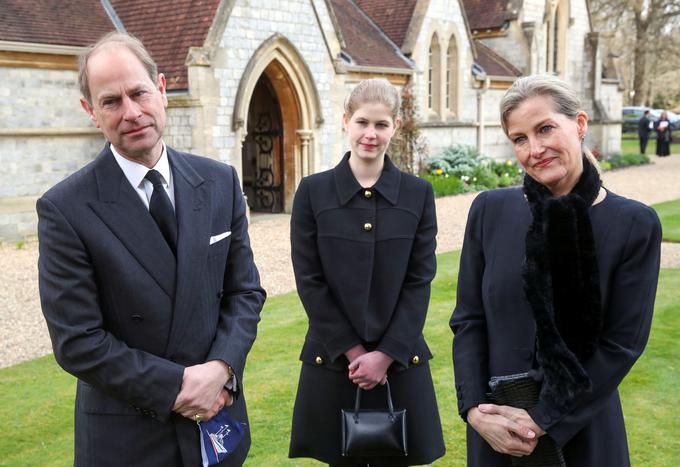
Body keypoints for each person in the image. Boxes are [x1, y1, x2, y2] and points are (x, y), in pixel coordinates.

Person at [37, 32, 265, 466]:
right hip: (129, 439)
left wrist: (222, 370)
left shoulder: (219, 182)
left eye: (139, 92)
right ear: (90, 112)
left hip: (217, 422)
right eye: (111, 101)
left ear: (161, 89)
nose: (131, 112)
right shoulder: (65, 208)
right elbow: (77, 342)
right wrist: (178, 387)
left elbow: (245, 294)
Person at [450, 75, 661, 466]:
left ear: (579, 124)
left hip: (583, 431)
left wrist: (543, 418)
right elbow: (468, 320)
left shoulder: (634, 223)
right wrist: (475, 409)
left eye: (545, 128)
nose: (535, 149)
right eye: (520, 138)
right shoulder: (489, 211)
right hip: (496, 432)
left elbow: (621, 345)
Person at [288, 78, 446, 466]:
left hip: (400, 363)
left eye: (381, 124)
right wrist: (355, 352)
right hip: (335, 361)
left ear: (395, 126)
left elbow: (419, 280)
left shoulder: (418, 193)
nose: (370, 134)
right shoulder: (312, 192)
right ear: (346, 121)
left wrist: (386, 354)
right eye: (362, 122)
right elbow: (310, 281)